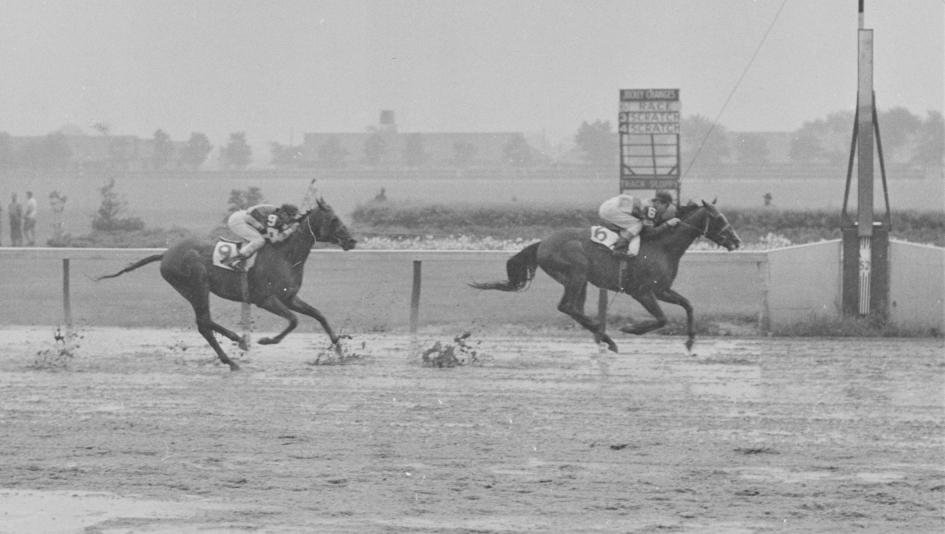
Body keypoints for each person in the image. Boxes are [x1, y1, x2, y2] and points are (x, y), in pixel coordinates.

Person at [598, 190, 680, 257]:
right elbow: (650, 233)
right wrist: (667, 224)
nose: (664, 211)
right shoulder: (651, 209)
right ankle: (619, 248)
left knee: (634, 224)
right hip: (610, 210)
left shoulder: (648, 202)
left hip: (610, 205)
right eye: (665, 207)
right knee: (638, 224)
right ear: (660, 203)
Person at [224, 203, 301, 269]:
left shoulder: (279, 216)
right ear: (284, 214)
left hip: (247, 218)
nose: (292, 219)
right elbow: (274, 240)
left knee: (262, 240)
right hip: (239, 220)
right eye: (292, 216)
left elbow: (278, 237)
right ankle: (234, 260)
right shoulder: (275, 217)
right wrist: (291, 230)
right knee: (259, 241)